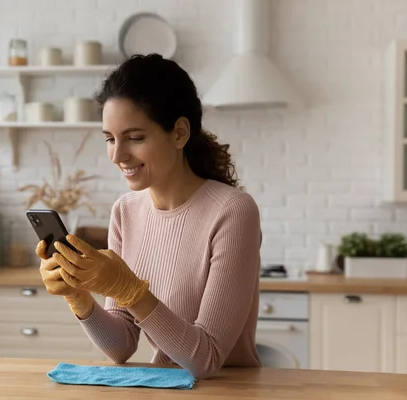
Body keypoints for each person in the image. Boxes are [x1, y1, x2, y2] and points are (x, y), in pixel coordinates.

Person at [36, 53, 262, 379]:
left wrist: (131, 290)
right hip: (165, 390)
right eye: (110, 139)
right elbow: (121, 346)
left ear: (180, 133)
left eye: (135, 138)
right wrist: (77, 295)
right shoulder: (125, 211)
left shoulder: (233, 211)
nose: (117, 155)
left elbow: (206, 360)